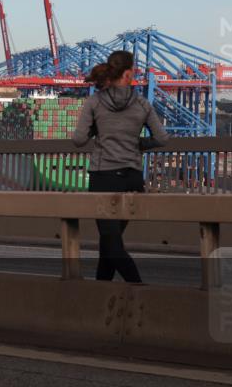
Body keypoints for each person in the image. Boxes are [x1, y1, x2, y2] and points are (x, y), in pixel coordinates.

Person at [72, 50, 169, 283]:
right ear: (128, 74)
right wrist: (139, 144)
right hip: (132, 180)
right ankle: (100, 294)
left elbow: (79, 140)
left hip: (104, 178)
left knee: (111, 243)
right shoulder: (142, 103)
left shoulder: (95, 102)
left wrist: (97, 129)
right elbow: (162, 138)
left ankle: (139, 290)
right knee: (109, 242)